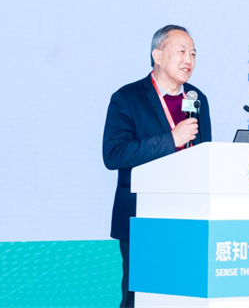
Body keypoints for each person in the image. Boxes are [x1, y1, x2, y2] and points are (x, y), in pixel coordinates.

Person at [102, 25, 212, 308]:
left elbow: (204, 156)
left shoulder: (197, 98)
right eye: (181, 51)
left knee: (182, 296)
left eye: (193, 53)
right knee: (140, 298)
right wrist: (171, 140)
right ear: (158, 55)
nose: (189, 59)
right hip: (142, 217)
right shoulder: (127, 98)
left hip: (189, 217)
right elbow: (114, 155)